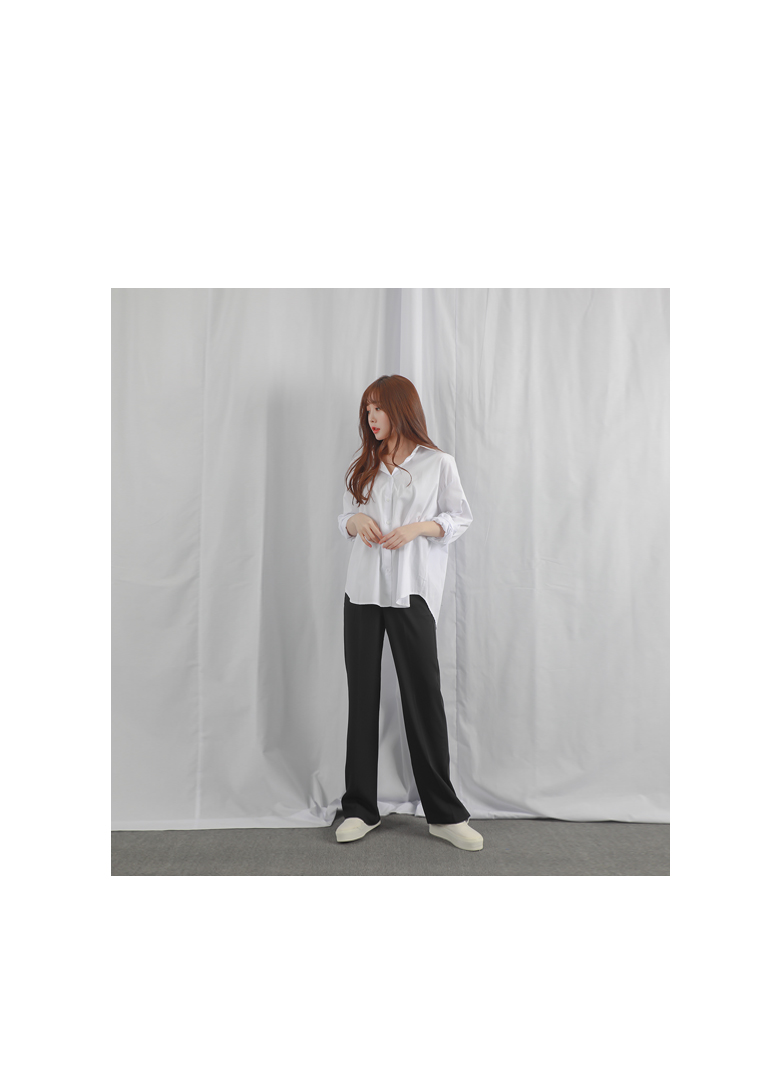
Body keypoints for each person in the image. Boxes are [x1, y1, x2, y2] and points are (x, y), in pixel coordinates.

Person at [336, 374, 483, 852]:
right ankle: (360, 808)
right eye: (368, 409)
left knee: (423, 697)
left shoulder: (438, 464)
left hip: (411, 592)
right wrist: (355, 520)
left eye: (378, 408)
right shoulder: (365, 463)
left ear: (401, 409)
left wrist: (419, 528)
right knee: (363, 699)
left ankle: (444, 814)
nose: (371, 417)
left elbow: (460, 517)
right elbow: (345, 516)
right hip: (362, 592)